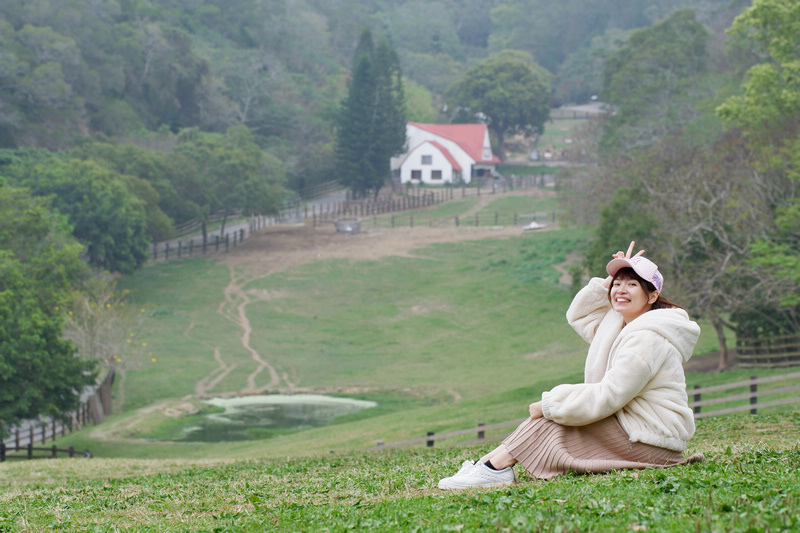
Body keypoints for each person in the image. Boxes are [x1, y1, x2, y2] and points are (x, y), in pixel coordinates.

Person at [438, 241, 705, 489]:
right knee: (555, 415)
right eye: (618, 283)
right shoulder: (619, 326)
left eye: (632, 284)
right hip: (636, 428)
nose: (621, 290)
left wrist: (549, 404)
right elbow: (579, 315)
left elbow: (609, 395)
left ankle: (494, 467)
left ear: (652, 295)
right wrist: (605, 283)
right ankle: (488, 464)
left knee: (554, 418)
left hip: (653, 439)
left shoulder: (647, 337)